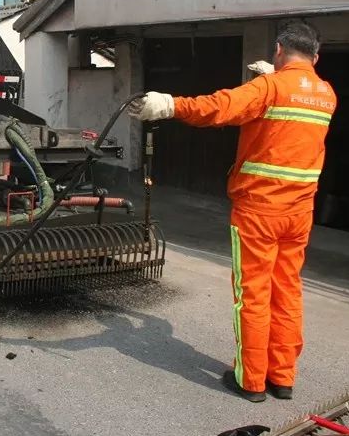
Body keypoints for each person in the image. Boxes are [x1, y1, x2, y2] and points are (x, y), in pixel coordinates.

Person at [128, 22, 336, 403]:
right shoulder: (326, 93)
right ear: (316, 57)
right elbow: (291, 109)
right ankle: (282, 378)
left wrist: (170, 104)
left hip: (259, 211)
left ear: (277, 50)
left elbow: (219, 108)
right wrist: (273, 81)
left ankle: (251, 381)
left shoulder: (268, 88)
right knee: (287, 292)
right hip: (300, 211)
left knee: (253, 294)